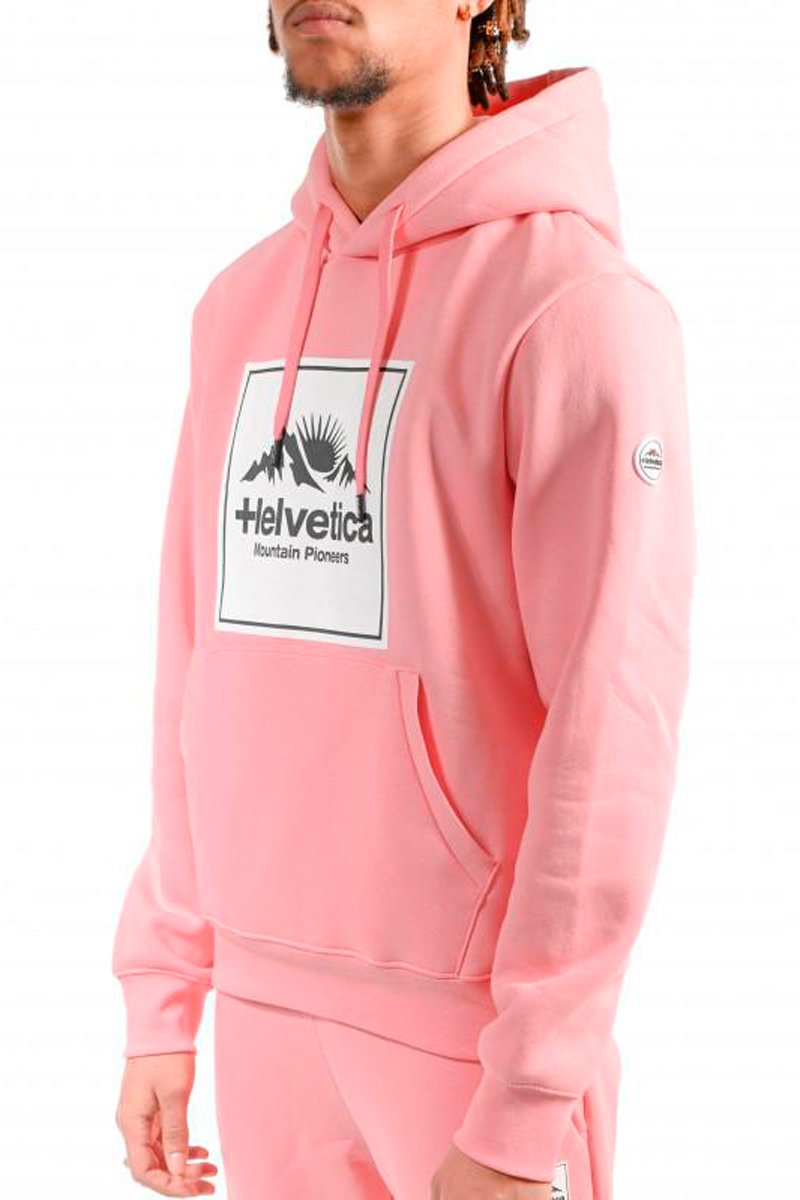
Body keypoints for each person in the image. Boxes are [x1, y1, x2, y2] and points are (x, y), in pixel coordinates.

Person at [111, 1, 697, 1197]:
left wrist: (529, 1094)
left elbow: (610, 720)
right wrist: (164, 988)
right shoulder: (238, 304)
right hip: (263, 1016)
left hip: (467, 1043)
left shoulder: (572, 306)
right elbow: (190, 659)